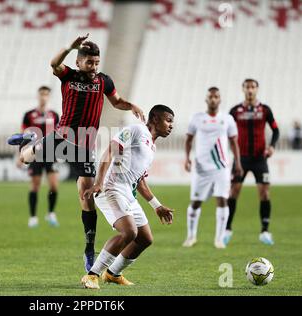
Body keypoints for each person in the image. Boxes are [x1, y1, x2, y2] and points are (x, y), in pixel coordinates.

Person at [8, 34, 145, 272]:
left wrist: (131, 106)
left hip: (84, 145)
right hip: (61, 137)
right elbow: (54, 64)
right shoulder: (68, 75)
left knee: (86, 195)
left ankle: (89, 250)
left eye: (96, 63)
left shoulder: (104, 81)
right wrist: (70, 47)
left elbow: (117, 101)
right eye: (89, 62)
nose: (93, 67)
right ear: (79, 61)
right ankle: (29, 141)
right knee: (25, 157)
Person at [80, 105, 175, 289]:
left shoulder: (151, 147)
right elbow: (109, 151)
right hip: (110, 188)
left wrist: (157, 205)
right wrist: (98, 182)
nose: (171, 126)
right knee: (129, 232)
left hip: (127, 194)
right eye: (168, 120)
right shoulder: (137, 130)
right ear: (155, 119)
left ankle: (113, 273)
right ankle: (92, 275)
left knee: (145, 238)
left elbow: (139, 181)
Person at [182, 87, 243, 249]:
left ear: (220, 99)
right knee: (195, 202)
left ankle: (219, 239)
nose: (213, 99)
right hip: (201, 168)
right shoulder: (197, 118)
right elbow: (188, 140)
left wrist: (238, 163)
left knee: (222, 199)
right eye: (211, 97)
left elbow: (234, 142)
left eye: (216, 97)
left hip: (221, 167)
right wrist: (187, 159)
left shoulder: (228, 119)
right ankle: (191, 236)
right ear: (206, 99)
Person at [225, 79, 280, 245]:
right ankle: (226, 229)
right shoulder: (235, 111)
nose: (250, 90)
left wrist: (271, 146)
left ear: (257, 89)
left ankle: (265, 232)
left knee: (264, 193)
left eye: (253, 87)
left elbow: (276, 130)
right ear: (243, 89)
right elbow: (225, 130)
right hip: (241, 159)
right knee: (233, 192)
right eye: (247, 87)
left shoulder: (265, 110)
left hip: (260, 159)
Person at [19, 86, 60, 228]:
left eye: (46, 94)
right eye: (42, 94)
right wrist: (21, 154)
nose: (44, 97)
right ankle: (33, 217)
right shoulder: (29, 115)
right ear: (38, 96)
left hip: (50, 154)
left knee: (54, 186)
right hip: (34, 154)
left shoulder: (54, 115)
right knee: (35, 186)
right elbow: (23, 135)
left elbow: (59, 135)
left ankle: (50, 213)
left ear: (49, 97)